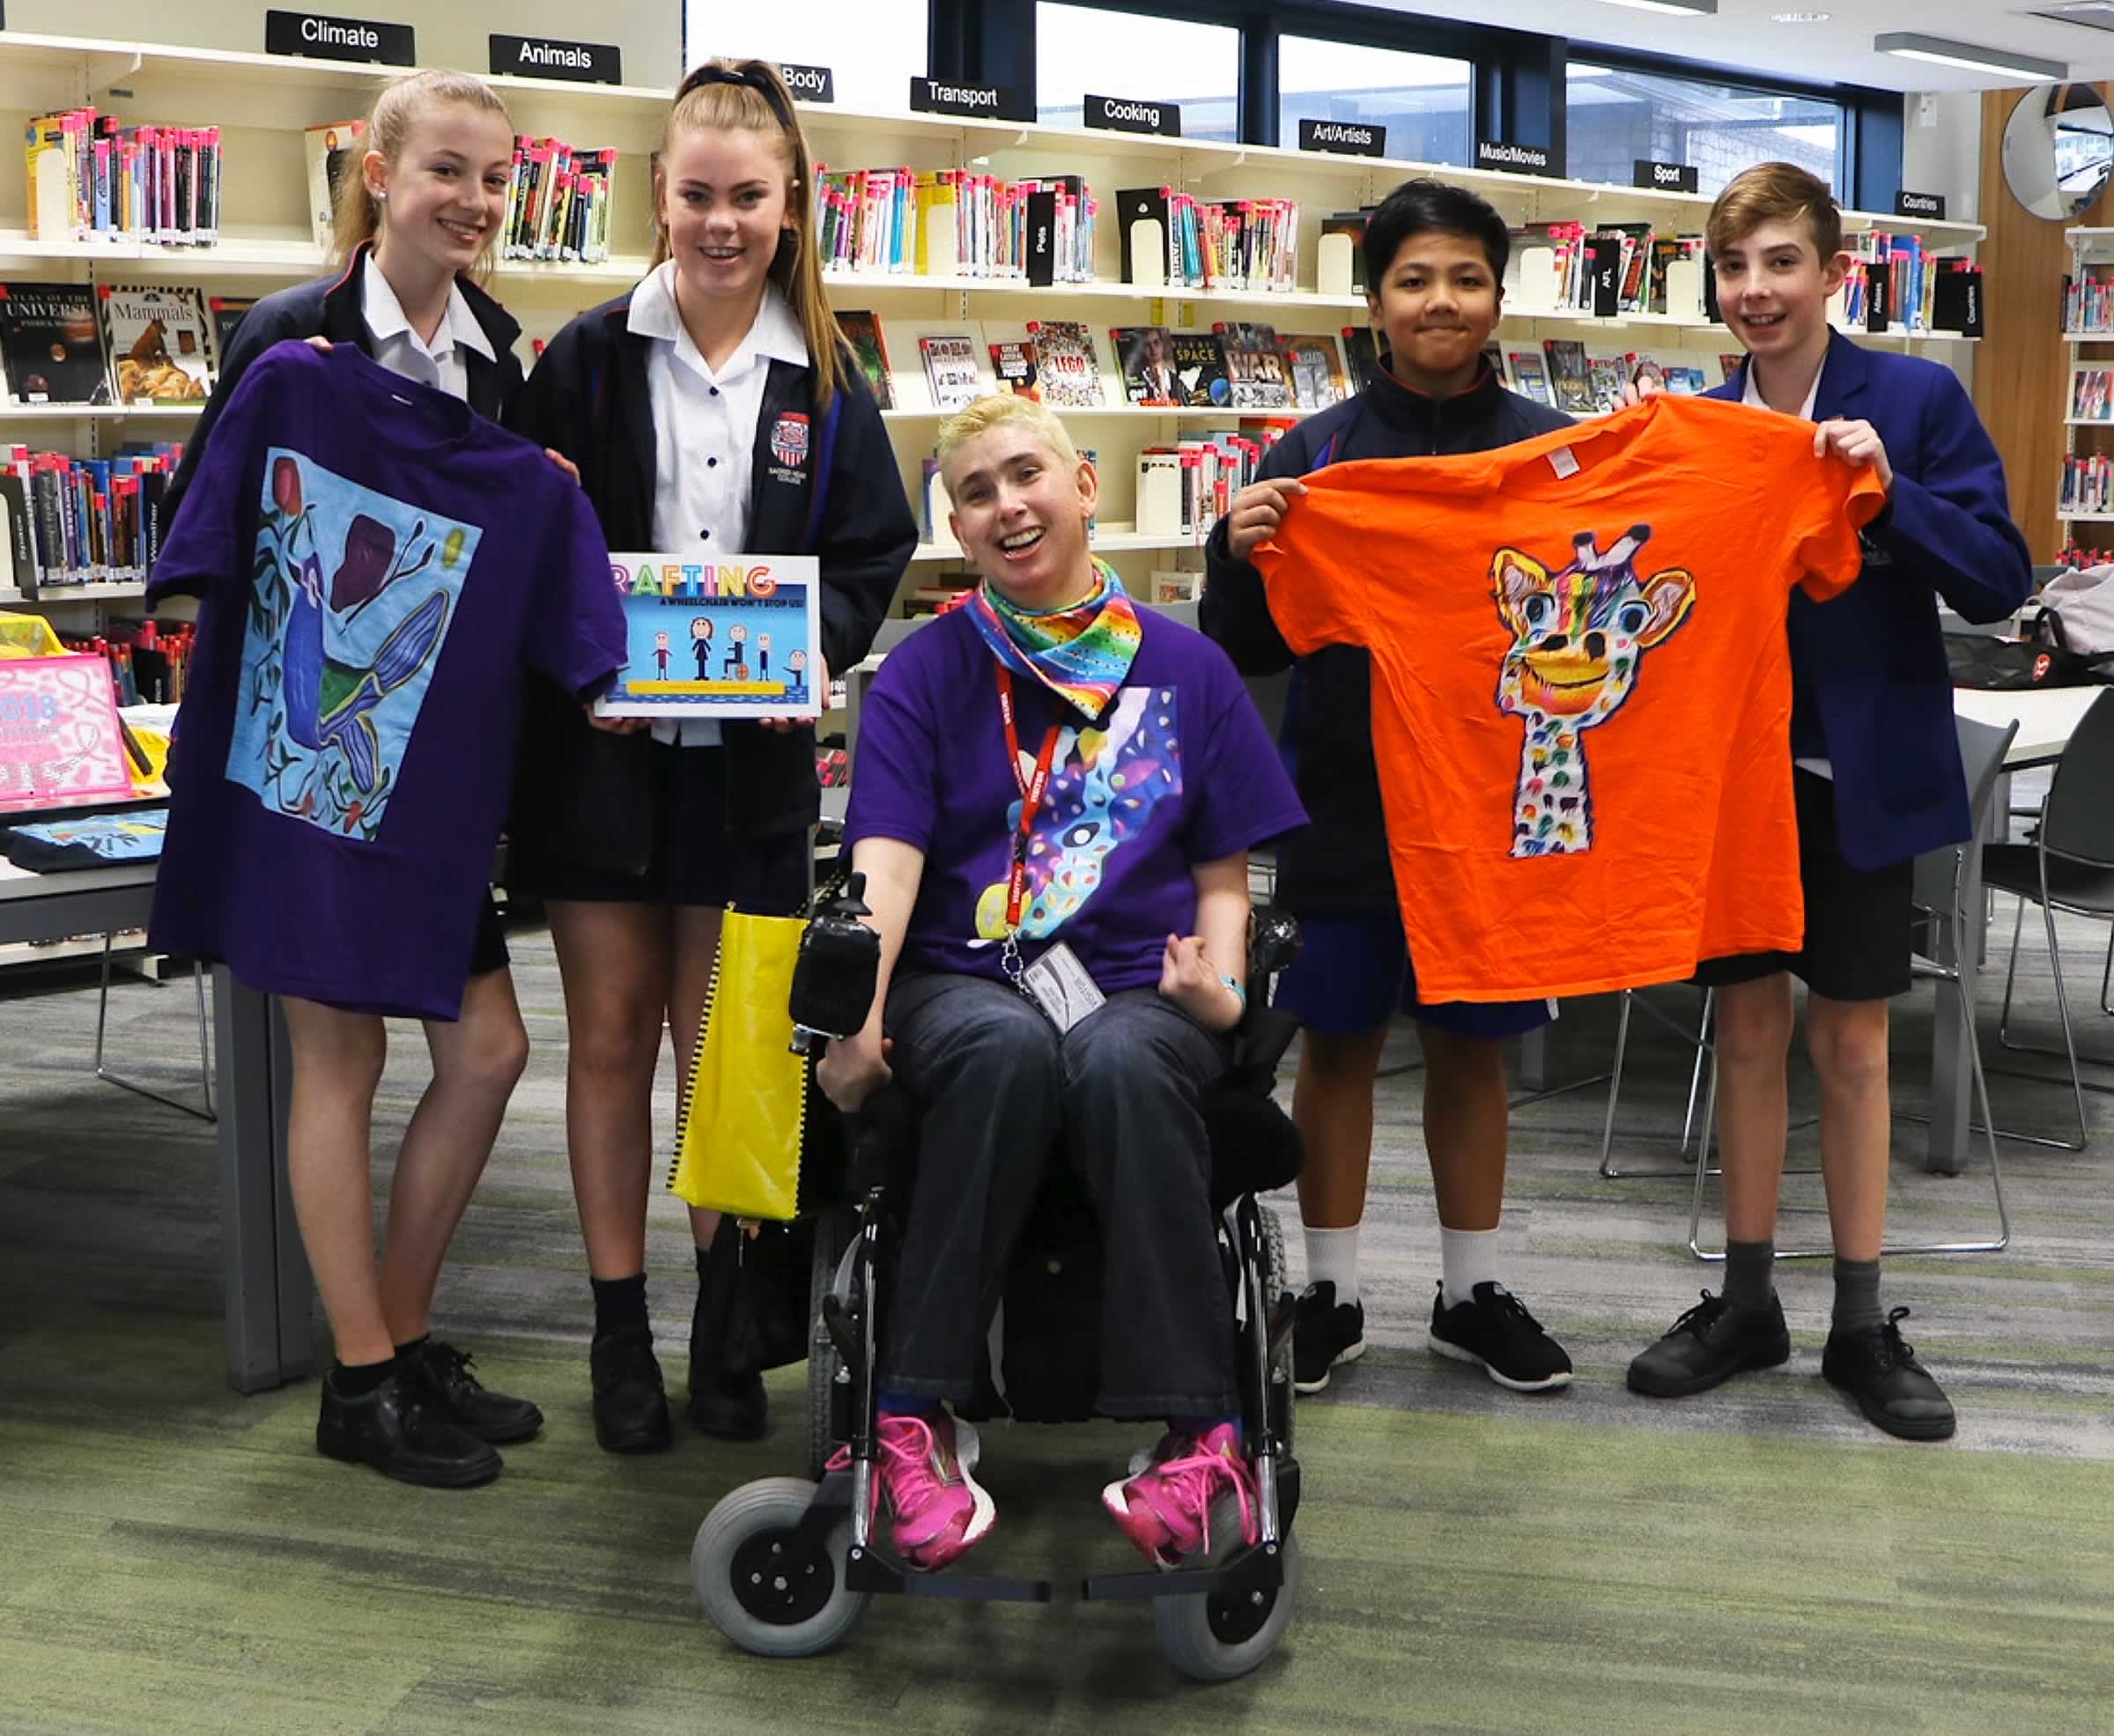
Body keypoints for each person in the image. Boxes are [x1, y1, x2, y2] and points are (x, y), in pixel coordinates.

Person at [155, 70, 597, 1487]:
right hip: (305, 768)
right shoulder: (288, 343)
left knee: (487, 1051)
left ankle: (396, 1341)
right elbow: (213, 534)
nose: (469, 203)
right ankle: (360, 1381)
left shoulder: (499, 361)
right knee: (337, 1061)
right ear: (379, 173)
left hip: (428, 789)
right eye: (445, 172)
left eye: (491, 181)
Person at [816, 393, 1306, 1570]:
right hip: (959, 979)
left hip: (1146, 987)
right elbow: (882, 866)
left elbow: (1224, 875)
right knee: (1003, 1046)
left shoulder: (1189, 669)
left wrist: (1224, 998)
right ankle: (909, 1422)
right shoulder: (928, 671)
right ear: (958, 527)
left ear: (1085, 485)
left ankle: (1204, 1438)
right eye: (975, 493)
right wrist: (856, 1024)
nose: (1007, 507)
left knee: (1122, 1056)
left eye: (1026, 475)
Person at [506, 58, 916, 1455]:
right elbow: (528, 546)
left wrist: (822, 649)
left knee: (729, 1056)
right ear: (656, 198)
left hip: (749, 773)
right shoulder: (583, 360)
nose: (722, 222)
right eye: (697, 195)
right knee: (612, 1044)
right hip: (603, 768)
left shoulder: (831, 375)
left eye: (749, 196)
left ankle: (722, 1317)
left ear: (791, 203)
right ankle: (619, 1326)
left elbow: (869, 553)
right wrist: (579, 664)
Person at [1624, 162, 2033, 1440]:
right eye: (1735, 267)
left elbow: (1999, 580)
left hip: (1854, 778)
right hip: (1730, 783)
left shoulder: (1911, 400)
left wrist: (1888, 490)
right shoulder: (1696, 421)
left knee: (1852, 1045)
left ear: (1833, 272)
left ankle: (1862, 1322)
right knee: (1746, 1034)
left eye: (1782, 262)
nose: (1757, 291)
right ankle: (1748, 1303)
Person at [1202, 179, 1577, 1398]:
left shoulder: (1549, 451)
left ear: (1497, 295)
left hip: (1496, 809)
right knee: (1342, 1045)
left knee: (1475, 1052)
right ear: (1373, 303)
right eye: (1415, 279)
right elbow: (1245, 648)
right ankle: (1333, 1289)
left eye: (1466, 278)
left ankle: (1471, 1294)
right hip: (1348, 803)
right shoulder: (1311, 456)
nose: (1442, 302)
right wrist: (1235, 547)